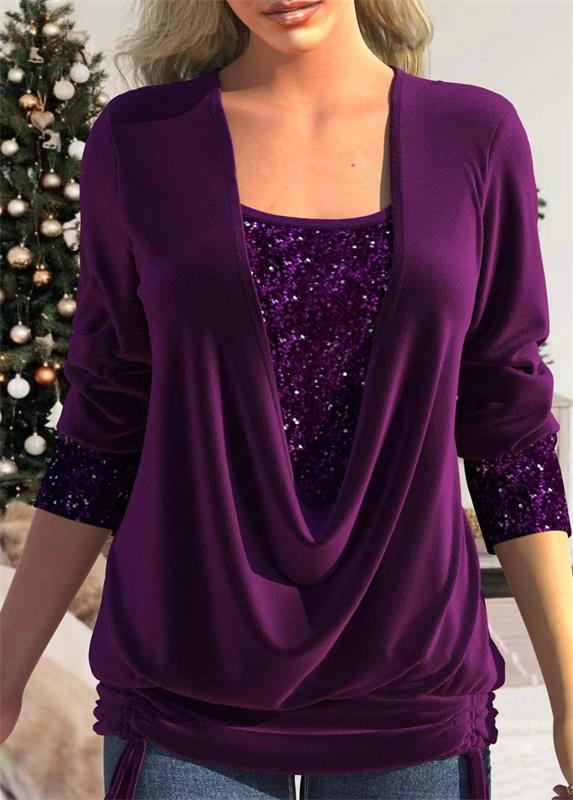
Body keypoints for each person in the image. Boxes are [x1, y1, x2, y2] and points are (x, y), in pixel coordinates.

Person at [1, 0, 572, 798]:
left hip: (410, 684)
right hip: (185, 685)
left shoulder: (474, 136)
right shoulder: (140, 140)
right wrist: (6, 674)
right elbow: (103, 423)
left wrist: (568, 701)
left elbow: (507, 430)